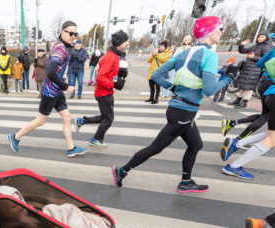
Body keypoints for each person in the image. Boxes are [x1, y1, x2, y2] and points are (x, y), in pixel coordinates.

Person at [112, 16, 232, 193]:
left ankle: (185, 182)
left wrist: (173, 87)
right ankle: (122, 171)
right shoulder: (210, 55)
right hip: (183, 112)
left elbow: (157, 75)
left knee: (196, 145)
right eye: (220, 28)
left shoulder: (183, 53)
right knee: (156, 147)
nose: (222, 32)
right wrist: (228, 79)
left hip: (180, 109)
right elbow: (209, 90)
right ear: (211, 31)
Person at [8, 21, 88, 158]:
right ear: (62, 32)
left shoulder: (64, 47)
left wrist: (63, 85)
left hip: (57, 91)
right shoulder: (59, 49)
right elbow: (50, 72)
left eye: (75, 33)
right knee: (41, 120)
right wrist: (66, 87)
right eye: (71, 33)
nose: (73, 36)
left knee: (67, 118)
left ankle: (71, 148)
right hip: (50, 91)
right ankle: (15, 137)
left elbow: (58, 70)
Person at [221, 45, 275, 180]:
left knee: (271, 133)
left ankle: (236, 144)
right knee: (272, 137)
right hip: (271, 90)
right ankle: (234, 166)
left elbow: (264, 62)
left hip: (268, 88)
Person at [75, 30, 129, 147]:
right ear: (120, 43)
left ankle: (82, 121)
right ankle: (96, 139)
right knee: (109, 119)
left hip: (105, 92)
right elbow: (100, 78)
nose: (127, 44)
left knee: (105, 117)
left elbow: (108, 73)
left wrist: (120, 74)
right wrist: (114, 84)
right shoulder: (111, 57)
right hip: (104, 93)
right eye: (126, 42)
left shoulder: (113, 56)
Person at [229, 31, 272, 108]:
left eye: (262, 37)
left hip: (255, 69)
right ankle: (238, 100)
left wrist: (253, 57)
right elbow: (242, 51)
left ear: (266, 38)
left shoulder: (266, 47)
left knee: (249, 86)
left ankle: (245, 102)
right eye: (259, 36)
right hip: (246, 68)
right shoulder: (255, 46)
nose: (259, 38)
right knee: (242, 85)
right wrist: (242, 44)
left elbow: (266, 59)